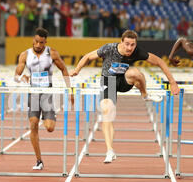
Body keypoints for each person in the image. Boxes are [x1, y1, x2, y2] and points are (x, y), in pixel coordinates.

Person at [69, 30, 180, 163]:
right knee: (107, 113)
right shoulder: (109, 48)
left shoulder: (137, 51)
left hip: (124, 81)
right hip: (108, 82)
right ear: (121, 42)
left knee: (136, 73)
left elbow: (160, 62)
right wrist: (76, 70)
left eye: (132, 45)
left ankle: (145, 95)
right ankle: (110, 151)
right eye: (127, 44)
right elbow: (88, 56)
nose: (129, 48)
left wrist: (173, 83)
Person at [14, 27, 74, 170]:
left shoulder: (52, 53)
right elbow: (16, 76)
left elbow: (64, 69)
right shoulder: (25, 55)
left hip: (47, 94)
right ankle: (39, 160)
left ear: (45, 42)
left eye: (42, 42)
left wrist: (69, 89)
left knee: (49, 128)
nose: (39, 45)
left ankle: (49, 116)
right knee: (33, 124)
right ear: (33, 40)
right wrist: (22, 77)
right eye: (36, 42)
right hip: (33, 93)